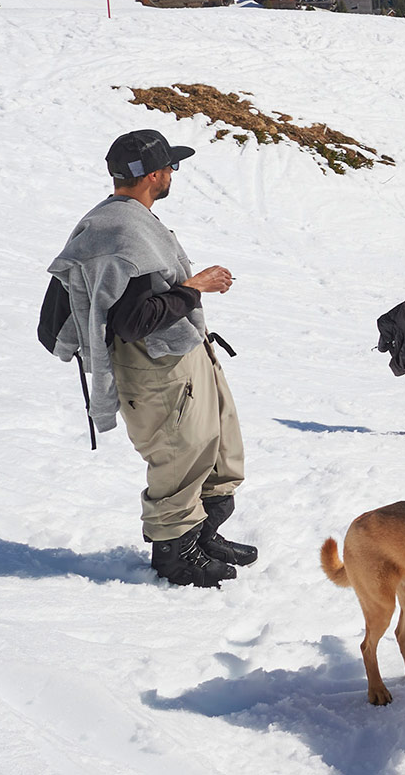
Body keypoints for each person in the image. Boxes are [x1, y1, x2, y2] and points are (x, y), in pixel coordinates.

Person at [46, 130, 251, 588]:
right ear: (154, 175)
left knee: (217, 448)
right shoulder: (122, 231)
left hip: (180, 355)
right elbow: (133, 321)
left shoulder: (126, 220)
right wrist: (195, 287)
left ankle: (200, 535)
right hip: (157, 369)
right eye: (170, 167)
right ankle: (176, 556)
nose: (173, 174)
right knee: (180, 456)